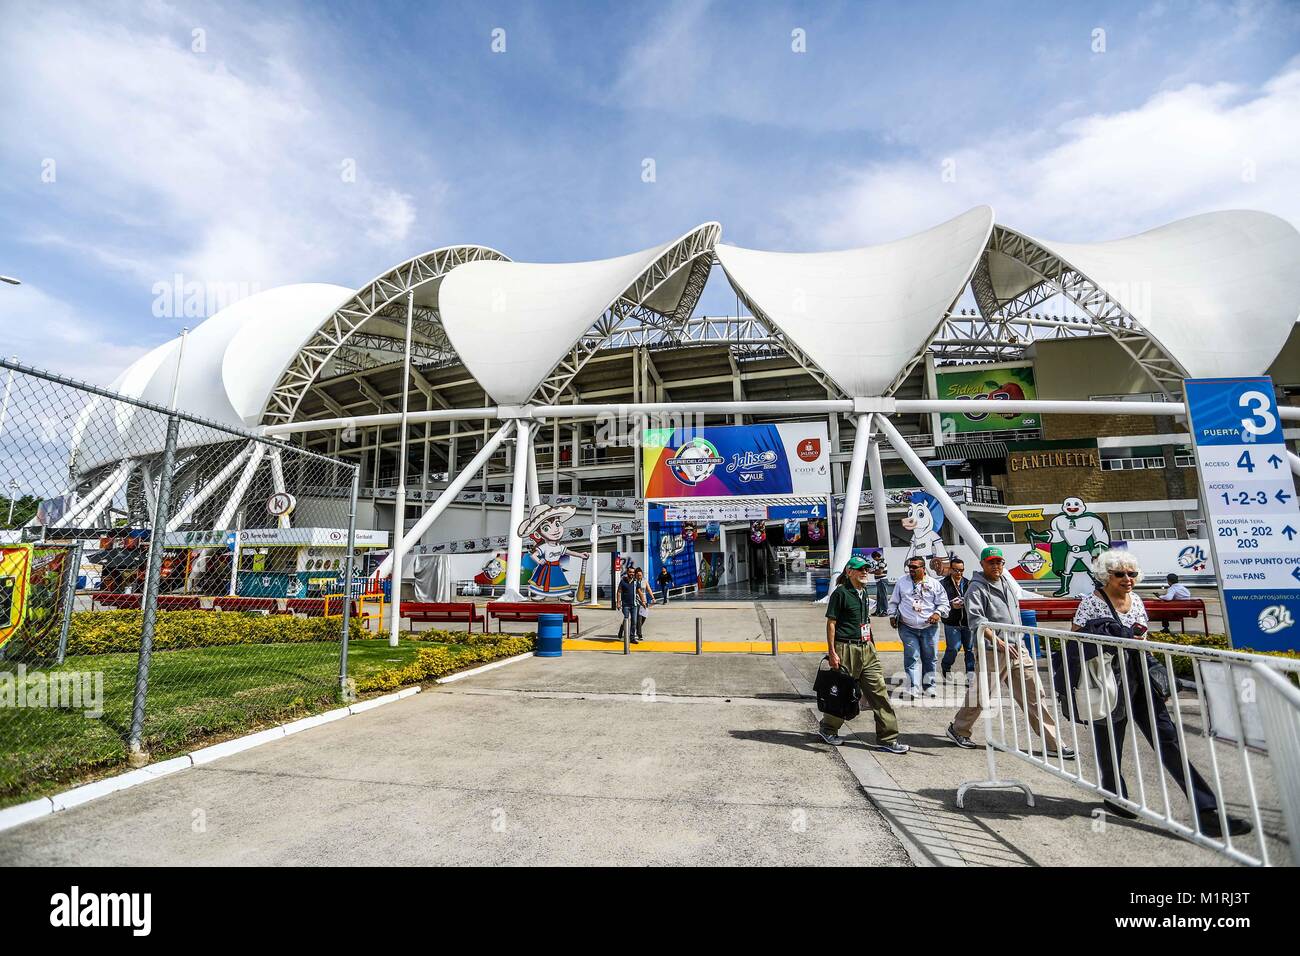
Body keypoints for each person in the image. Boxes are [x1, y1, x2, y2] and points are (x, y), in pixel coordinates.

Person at [1072, 550, 1250, 836]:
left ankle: (1207, 811)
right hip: (1110, 675)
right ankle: (1113, 792)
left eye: (1131, 573)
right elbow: (1076, 640)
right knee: (1109, 735)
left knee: (1167, 737)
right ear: (1107, 576)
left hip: (1140, 671)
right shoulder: (1092, 603)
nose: (1128, 579)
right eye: (1120, 574)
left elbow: (1143, 637)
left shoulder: (1138, 600)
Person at [947, 546, 1074, 758]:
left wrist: (1017, 642)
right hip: (992, 651)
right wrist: (998, 642)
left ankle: (1054, 743)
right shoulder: (976, 589)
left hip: (1018, 648)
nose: (996, 566)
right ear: (982, 564)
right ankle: (958, 729)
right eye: (991, 562)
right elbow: (977, 622)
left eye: (999, 562)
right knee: (982, 695)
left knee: (1034, 695)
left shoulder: (1006, 582)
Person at [817, 556, 908, 753]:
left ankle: (887, 738)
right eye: (860, 569)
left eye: (866, 569)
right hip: (845, 648)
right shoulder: (840, 594)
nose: (865, 572)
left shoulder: (864, 592)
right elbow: (831, 623)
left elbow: (865, 622)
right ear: (849, 572)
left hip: (867, 649)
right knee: (842, 693)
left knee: (879, 692)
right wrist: (832, 652)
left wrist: (872, 646)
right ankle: (828, 728)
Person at [888, 555, 949, 697]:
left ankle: (929, 686)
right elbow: (893, 602)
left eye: (915, 567)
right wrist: (892, 615)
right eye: (910, 567)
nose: (911, 570)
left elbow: (944, 603)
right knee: (912, 657)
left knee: (930, 657)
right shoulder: (902, 582)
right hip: (907, 627)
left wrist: (937, 613)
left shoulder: (934, 584)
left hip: (929, 628)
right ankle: (913, 688)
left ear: (923, 568)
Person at [939, 555, 974, 681]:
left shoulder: (969, 583)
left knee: (970, 650)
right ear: (950, 569)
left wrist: (967, 603)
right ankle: (946, 666)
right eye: (956, 570)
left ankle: (970, 676)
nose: (959, 573)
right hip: (951, 622)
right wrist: (951, 604)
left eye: (961, 570)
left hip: (967, 622)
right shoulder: (942, 584)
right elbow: (938, 602)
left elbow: (975, 600)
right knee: (953, 648)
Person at [615, 567, 643, 643]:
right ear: (627, 573)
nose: (632, 574)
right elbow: (619, 592)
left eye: (633, 572)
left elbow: (639, 592)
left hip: (634, 605)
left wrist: (643, 601)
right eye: (630, 572)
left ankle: (632, 637)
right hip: (625, 605)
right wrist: (618, 603)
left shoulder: (635, 581)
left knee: (634, 621)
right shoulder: (623, 581)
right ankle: (621, 630)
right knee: (626, 619)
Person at [869, 551, 889, 616]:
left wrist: (871, 572)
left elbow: (880, 572)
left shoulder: (882, 562)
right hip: (879, 581)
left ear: (877, 556)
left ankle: (885, 611)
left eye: (874, 558)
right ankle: (878, 611)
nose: (874, 559)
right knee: (879, 597)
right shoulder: (879, 562)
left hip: (882, 580)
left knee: (883, 597)